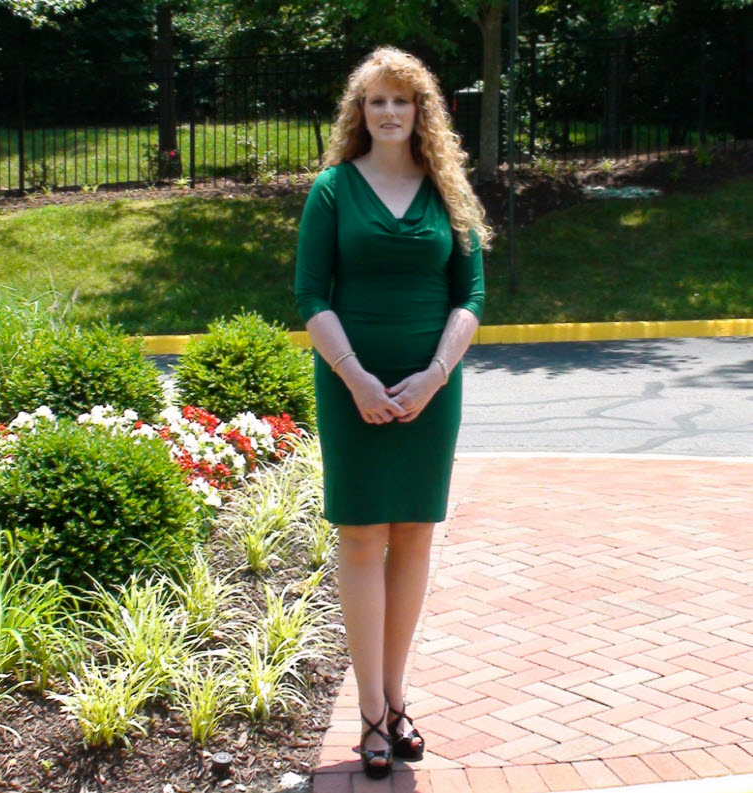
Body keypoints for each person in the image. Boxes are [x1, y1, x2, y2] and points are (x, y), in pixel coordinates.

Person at [294, 46, 491, 780]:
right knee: (360, 539)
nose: (387, 112)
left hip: (430, 392)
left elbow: (469, 297)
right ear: (360, 109)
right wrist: (357, 381)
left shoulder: (449, 190)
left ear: (421, 111)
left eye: (400, 100)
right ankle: (369, 713)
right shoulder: (332, 191)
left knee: (413, 537)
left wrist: (433, 377)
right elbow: (312, 297)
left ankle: (398, 698)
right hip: (354, 391)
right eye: (375, 99)